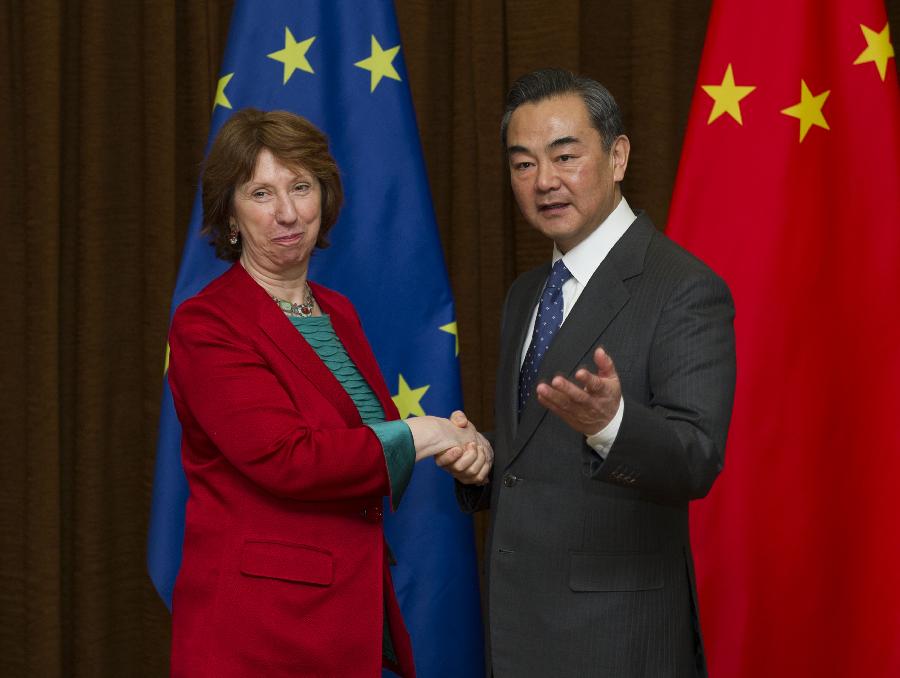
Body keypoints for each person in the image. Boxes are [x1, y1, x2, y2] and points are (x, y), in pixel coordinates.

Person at [166, 108, 490, 678]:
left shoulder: (336, 312)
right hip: (259, 630)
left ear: (326, 196)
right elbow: (287, 458)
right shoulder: (207, 324)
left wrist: (458, 448)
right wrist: (424, 432)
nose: (288, 212)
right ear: (231, 214)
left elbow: (371, 450)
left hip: (346, 612)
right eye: (261, 192)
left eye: (301, 186)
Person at [440, 69, 736, 677]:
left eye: (565, 156)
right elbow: (539, 452)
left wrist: (613, 425)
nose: (544, 181)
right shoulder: (526, 294)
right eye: (523, 165)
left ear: (618, 155)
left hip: (617, 640)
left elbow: (697, 456)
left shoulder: (683, 287)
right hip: (520, 631)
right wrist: (487, 458)